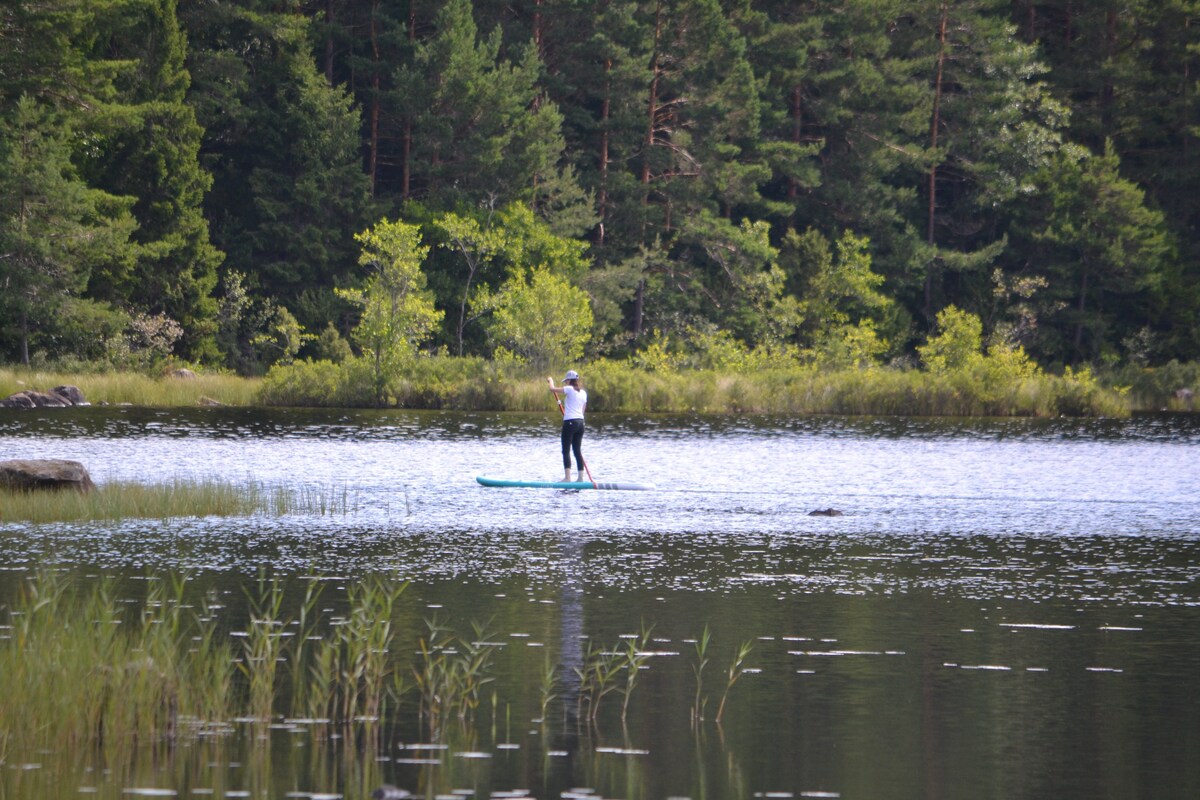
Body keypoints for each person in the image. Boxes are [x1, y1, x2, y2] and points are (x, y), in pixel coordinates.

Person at [547, 370, 588, 482]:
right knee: (577, 451)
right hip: (580, 423)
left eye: (566, 381)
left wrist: (550, 381)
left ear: (570, 380)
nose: (566, 383)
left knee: (566, 451)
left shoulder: (569, 389)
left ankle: (567, 478)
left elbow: (552, 389)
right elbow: (582, 410)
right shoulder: (583, 393)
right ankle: (580, 478)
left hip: (570, 423)